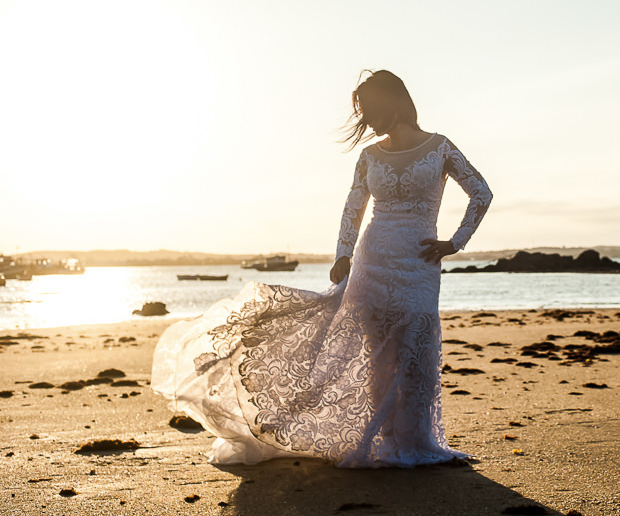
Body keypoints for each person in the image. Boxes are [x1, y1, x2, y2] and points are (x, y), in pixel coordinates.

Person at [151, 70, 492, 468]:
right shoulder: (370, 156)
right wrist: (343, 256)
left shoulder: (440, 147)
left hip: (420, 262)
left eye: (371, 109)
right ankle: (383, 438)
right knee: (378, 357)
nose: (367, 118)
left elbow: (480, 193)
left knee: (417, 347)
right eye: (363, 111)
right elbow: (353, 209)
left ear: (393, 103)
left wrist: (455, 242)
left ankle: (417, 441)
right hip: (372, 261)